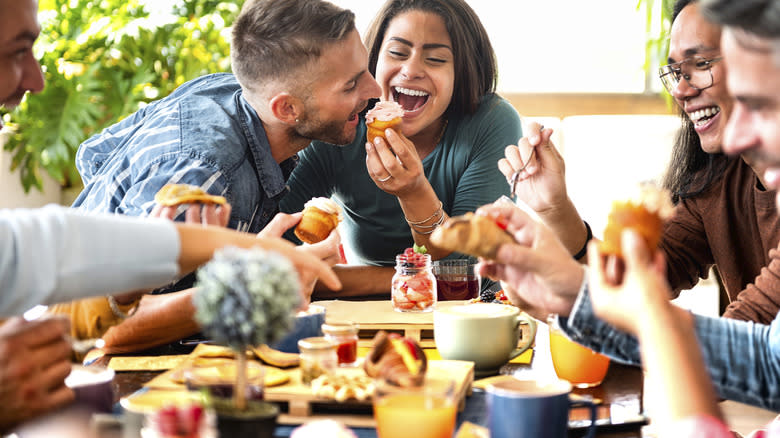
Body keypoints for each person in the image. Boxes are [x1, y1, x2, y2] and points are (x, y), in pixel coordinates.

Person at [0, 0, 341, 430]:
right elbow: (94, 322)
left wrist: (245, 254)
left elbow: (55, 238)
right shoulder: (209, 160)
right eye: (15, 52)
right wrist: (244, 281)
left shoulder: (228, 99)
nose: (38, 78)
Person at [477, 0, 780, 420]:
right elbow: (633, 282)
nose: (680, 88)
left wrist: (570, 300)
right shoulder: (716, 182)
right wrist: (555, 209)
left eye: (702, 63)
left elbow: (748, 355)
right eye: (676, 71)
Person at [280, 0, 522, 298]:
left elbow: (465, 273)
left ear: (462, 73)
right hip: (361, 318)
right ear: (372, 60)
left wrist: (415, 192)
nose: (411, 70)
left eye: (435, 59)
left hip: (466, 318)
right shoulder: (343, 121)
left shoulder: (491, 122)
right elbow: (271, 248)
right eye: (397, 53)